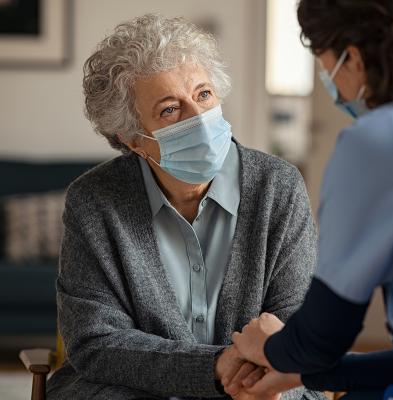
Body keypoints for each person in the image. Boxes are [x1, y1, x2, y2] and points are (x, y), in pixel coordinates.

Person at [46, 13, 325, 400]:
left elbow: (297, 320)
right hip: (135, 390)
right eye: (170, 110)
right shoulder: (94, 201)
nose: (200, 118)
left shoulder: (279, 187)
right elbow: (96, 340)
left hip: (264, 387)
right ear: (133, 140)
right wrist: (212, 367)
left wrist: (253, 379)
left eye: (203, 94)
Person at [229, 1, 393, 399]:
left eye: (326, 68)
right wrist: (307, 376)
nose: (331, 84)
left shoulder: (376, 142)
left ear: (353, 58)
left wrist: (267, 346)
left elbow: (323, 335)